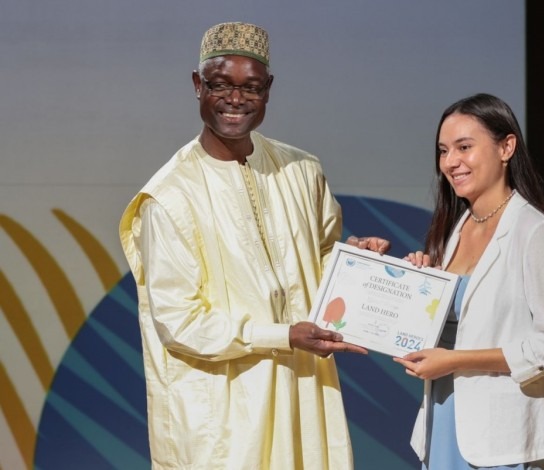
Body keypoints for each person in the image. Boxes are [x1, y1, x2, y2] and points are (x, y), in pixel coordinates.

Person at [118, 21, 390, 470]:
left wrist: (353, 262)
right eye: (220, 85)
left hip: (302, 391)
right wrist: (283, 335)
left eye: (251, 88)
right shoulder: (170, 197)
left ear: (269, 90)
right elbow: (179, 321)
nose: (235, 100)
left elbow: (318, 259)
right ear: (196, 85)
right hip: (224, 412)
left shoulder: (301, 170)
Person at [393, 93, 544, 470]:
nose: (451, 162)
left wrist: (455, 362)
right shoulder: (452, 232)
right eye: (444, 151)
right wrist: (419, 284)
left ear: (507, 146)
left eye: (464, 147)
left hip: (502, 436)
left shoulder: (534, 232)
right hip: (445, 419)